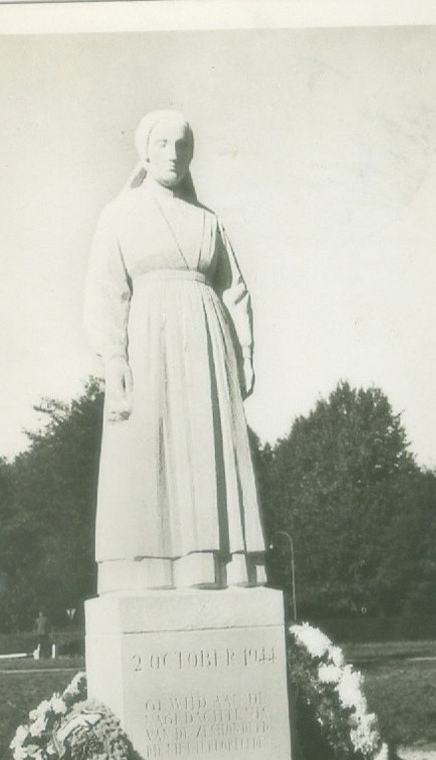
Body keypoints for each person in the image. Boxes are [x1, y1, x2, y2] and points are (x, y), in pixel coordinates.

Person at [84, 109, 267, 594]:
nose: (173, 154)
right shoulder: (120, 214)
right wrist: (114, 356)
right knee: (149, 450)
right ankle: (147, 571)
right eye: (163, 144)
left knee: (206, 449)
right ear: (145, 151)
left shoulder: (209, 221)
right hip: (147, 342)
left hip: (207, 346)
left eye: (182, 145)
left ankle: (213, 566)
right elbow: (106, 289)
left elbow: (236, 292)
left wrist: (245, 353)